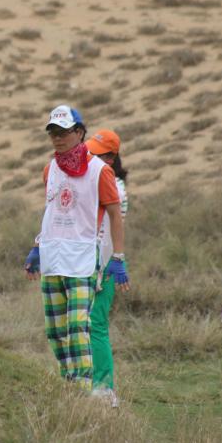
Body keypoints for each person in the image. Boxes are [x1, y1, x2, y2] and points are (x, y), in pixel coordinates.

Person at [23, 106, 126, 387]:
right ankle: (69, 382)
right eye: (53, 133)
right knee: (55, 330)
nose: (58, 138)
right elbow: (52, 210)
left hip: (82, 256)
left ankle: (84, 387)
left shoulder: (99, 171)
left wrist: (118, 256)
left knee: (78, 326)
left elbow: (115, 213)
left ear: (79, 132)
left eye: (64, 132)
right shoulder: (50, 169)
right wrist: (37, 246)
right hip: (54, 255)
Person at [86, 128, 130, 406]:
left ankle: (104, 389)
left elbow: (107, 231)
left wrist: (109, 266)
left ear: (111, 158)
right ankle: (91, 384)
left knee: (96, 325)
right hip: (95, 263)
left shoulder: (113, 187)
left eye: (97, 154)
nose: (90, 156)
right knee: (86, 325)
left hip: (105, 265)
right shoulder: (104, 180)